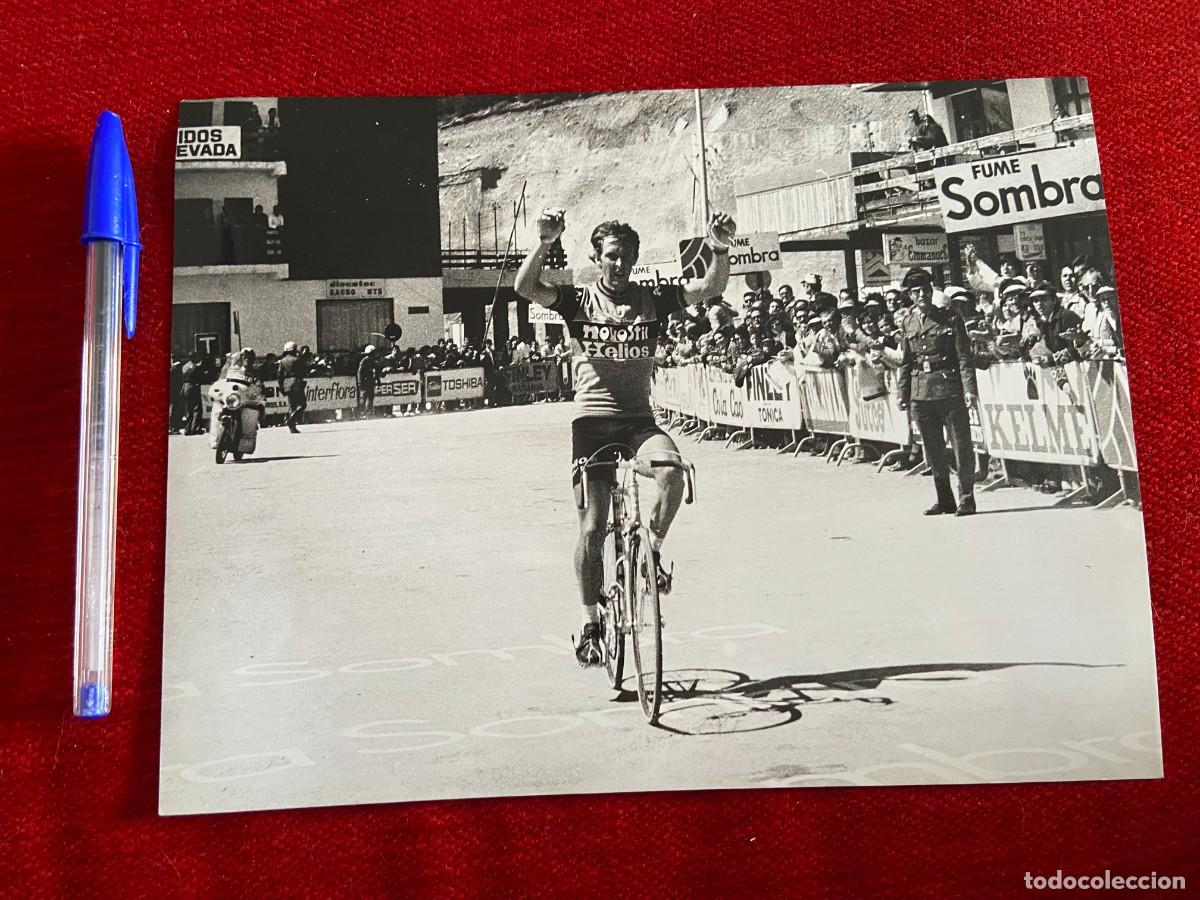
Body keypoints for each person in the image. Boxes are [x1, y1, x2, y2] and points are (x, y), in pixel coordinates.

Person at [514, 207, 736, 667]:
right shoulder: (577, 301)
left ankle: (649, 554)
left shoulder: (653, 298)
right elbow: (525, 287)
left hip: (638, 419)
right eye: (613, 256)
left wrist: (717, 247)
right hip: (592, 423)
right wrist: (544, 242)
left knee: (674, 472)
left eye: (628, 256)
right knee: (593, 528)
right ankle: (591, 621)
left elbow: (710, 288)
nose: (621, 264)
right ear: (597, 258)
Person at [896, 267, 977, 516]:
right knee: (933, 451)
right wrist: (903, 392)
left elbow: (964, 356)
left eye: (925, 290)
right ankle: (945, 499)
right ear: (910, 296)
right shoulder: (908, 322)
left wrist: (969, 389)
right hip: (921, 393)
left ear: (931, 292)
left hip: (949, 389)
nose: (922, 295)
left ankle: (966, 499)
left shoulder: (950, 318)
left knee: (961, 446)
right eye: (916, 291)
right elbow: (907, 361)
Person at [276, 340, 308, 433]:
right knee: (302, 404)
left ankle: (292, 427)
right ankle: (291, 419)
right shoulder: (297, 360)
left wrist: (281, 387)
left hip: (287, 384)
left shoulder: (282, 361)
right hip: (296, 382)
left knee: (292, 405)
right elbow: (303, 371)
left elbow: (279, 375)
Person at [180, 352, 206, 435]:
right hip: (193, 387)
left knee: (188, 409)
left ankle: (187, 429)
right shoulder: (195, 367)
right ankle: (194, 429)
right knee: (197, 408)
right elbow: (199, 378)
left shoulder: (185, 366)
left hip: (185, 387)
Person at [357, 345, 380, 418]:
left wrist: (377, 380)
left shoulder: (373, 361)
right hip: (365, 382)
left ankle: (368, 412)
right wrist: (360, 383)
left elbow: (376, 371)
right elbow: (360, 373)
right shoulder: (364, 361)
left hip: (371, 381)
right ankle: (363, 412)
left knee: (370, 397)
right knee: (365, 397)